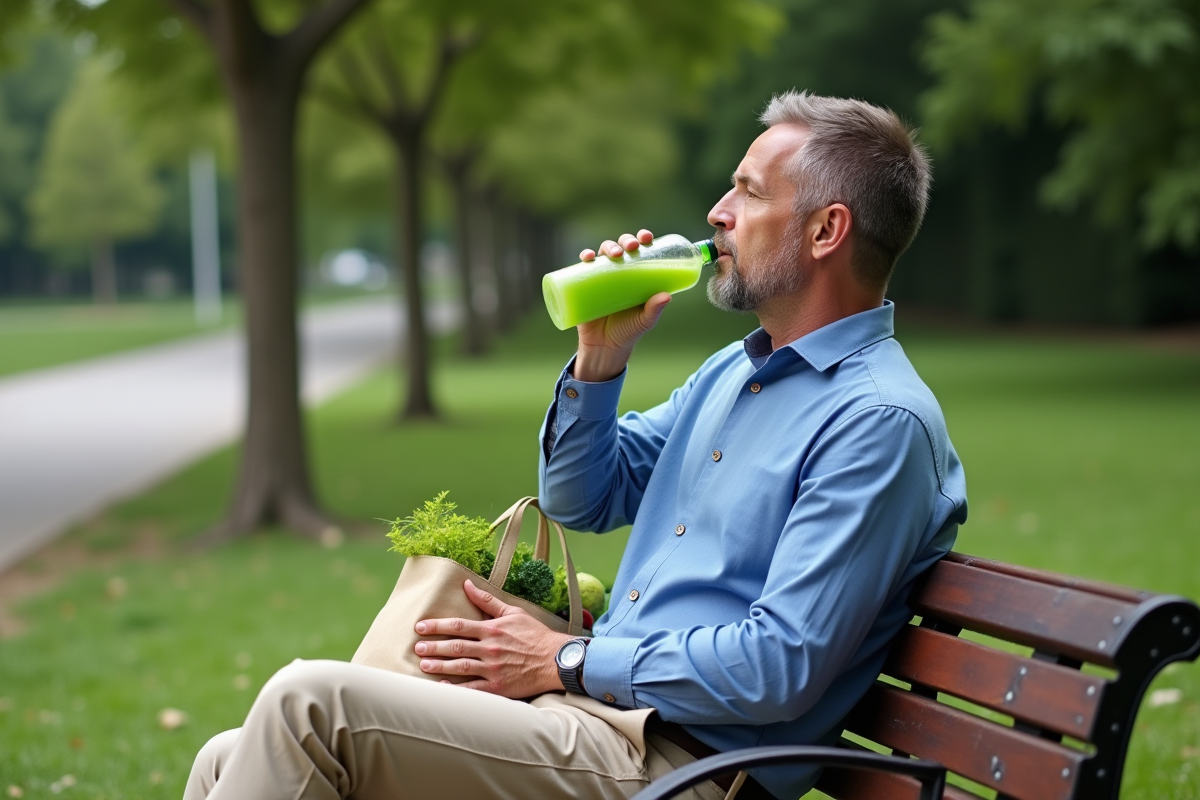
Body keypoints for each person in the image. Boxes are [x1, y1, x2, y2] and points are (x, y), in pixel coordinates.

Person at [183, 90, 967, 800]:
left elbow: (778, 667)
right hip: (596, 721)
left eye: (750, 192)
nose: (718, 211)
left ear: (827, 230)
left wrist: (561, 660)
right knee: (231, 754)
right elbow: (583, 498)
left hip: (683, 767)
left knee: (308, 708)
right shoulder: (736, 371)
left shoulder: (876, 423)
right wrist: (601, 359)